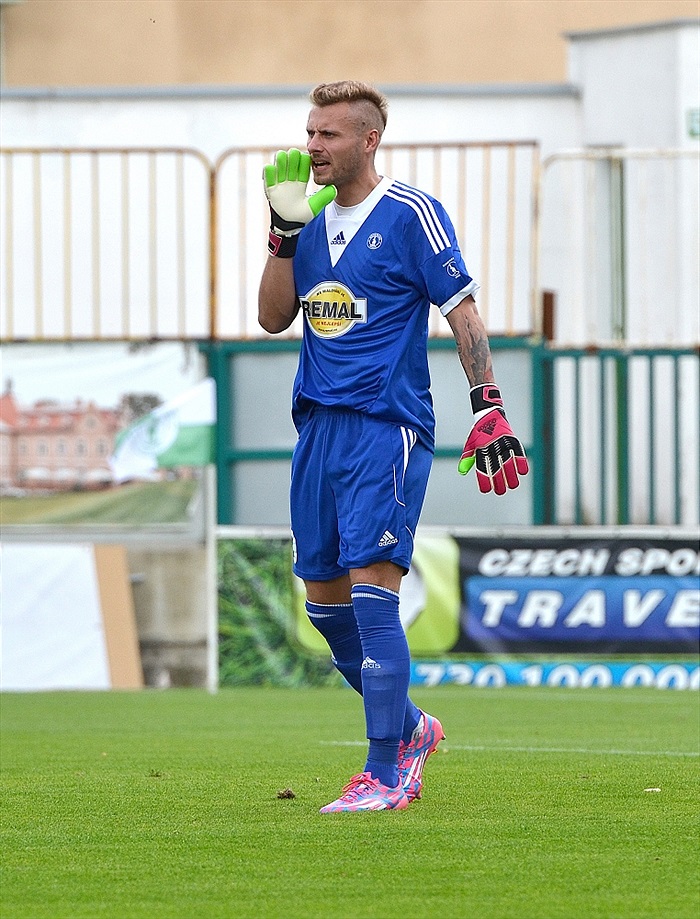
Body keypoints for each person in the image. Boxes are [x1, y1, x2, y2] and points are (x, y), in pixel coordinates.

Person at [258, 80, 528, 813]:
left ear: (368, 140)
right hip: (316, 427)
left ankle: (386, 769)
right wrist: (282, 235)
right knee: (324, 605)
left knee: (376, 595)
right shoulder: (304, 223)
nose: (311, 146)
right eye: (309, 132)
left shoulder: (412, 213)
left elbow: (462, 310)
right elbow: (273, 317)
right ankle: (411, 727)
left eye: (328, 135)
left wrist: (489, 404)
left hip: (386, 425)